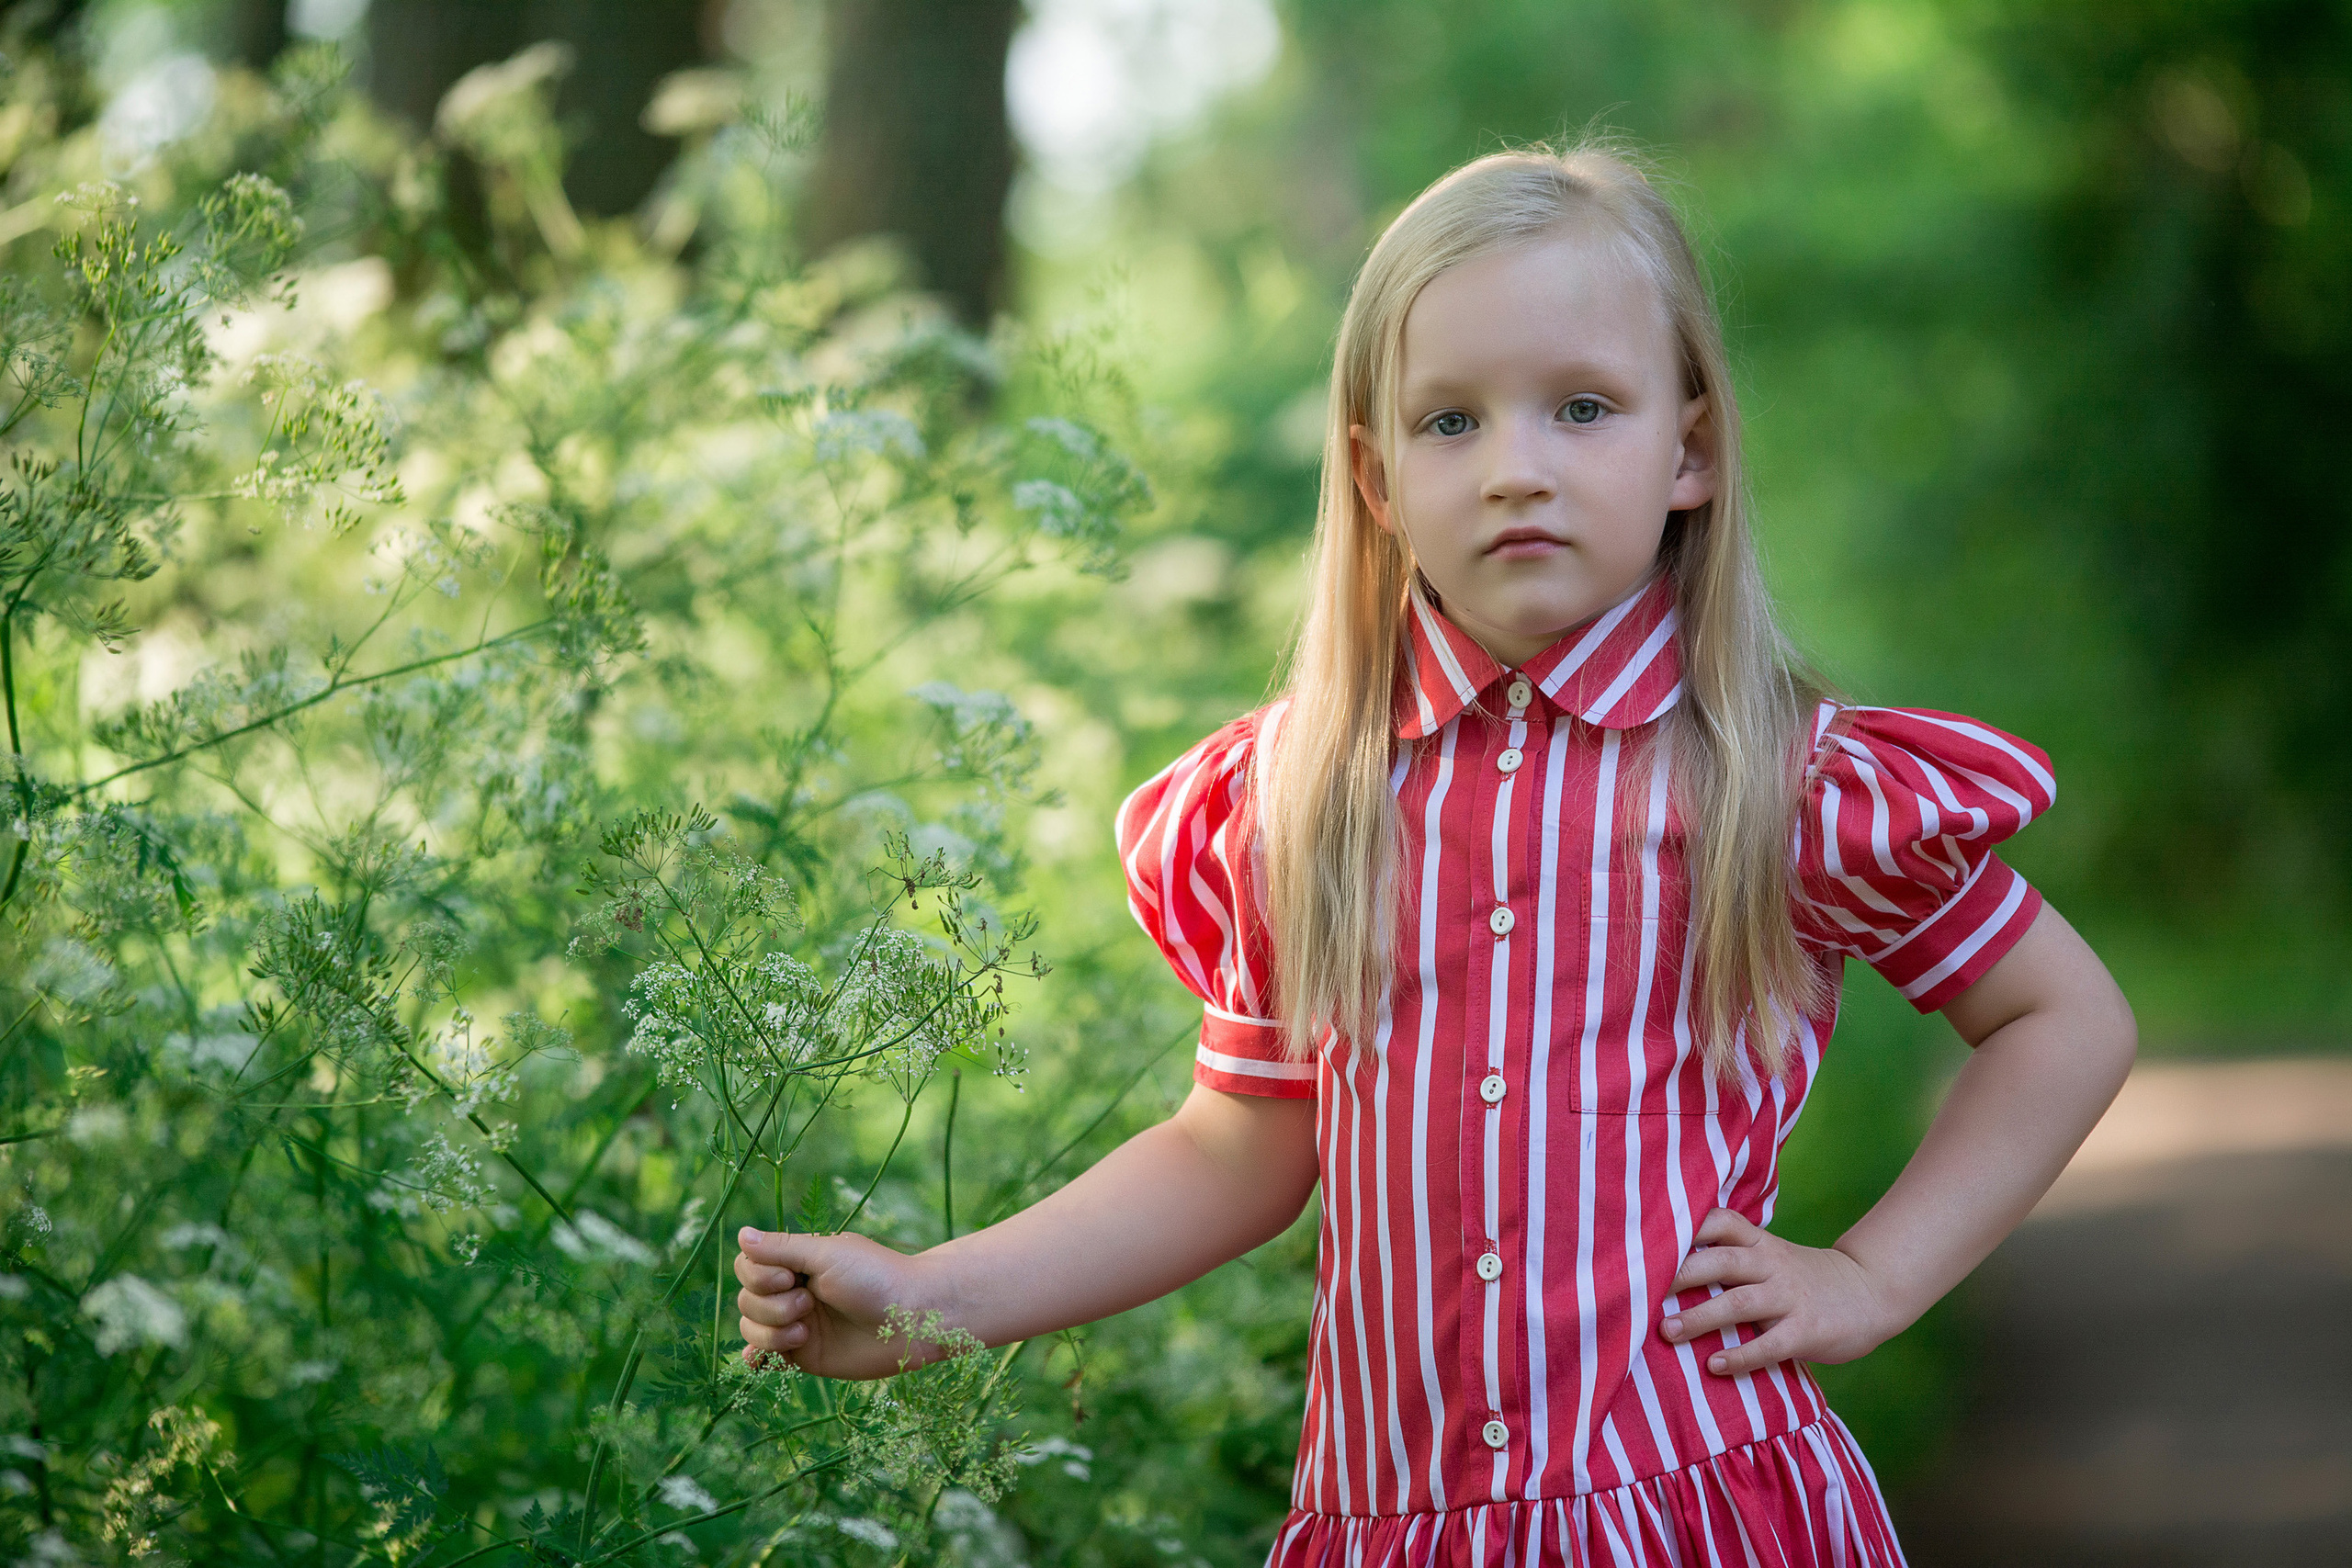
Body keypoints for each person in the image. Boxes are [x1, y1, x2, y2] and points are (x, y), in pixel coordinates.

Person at [733, 141, 2137, 1564]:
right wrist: (928, 1301)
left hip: (1690, 1505)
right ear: (1378, 474)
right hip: (1387, 1523)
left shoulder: (1783, 781)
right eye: (1451, 422)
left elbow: (2061, 1019)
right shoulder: (1302, 795)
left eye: (1583, 408)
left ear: (1693, 446)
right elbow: (1236, 1148)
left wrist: (1870, 1277)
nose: (1516, 468)